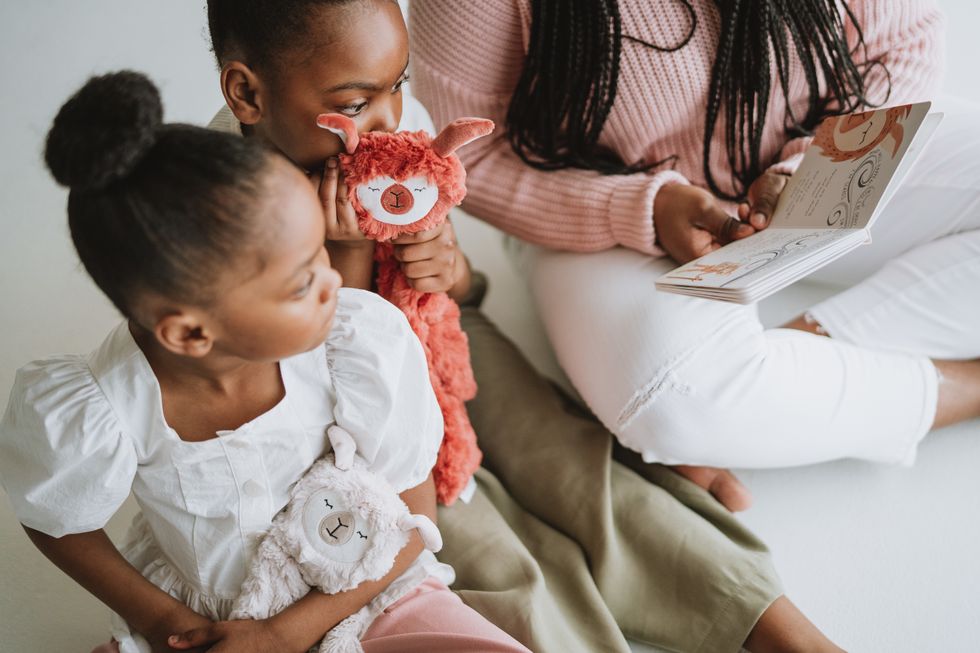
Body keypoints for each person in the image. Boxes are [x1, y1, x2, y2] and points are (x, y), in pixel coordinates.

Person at [204, 1, 849, 650]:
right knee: (486, 550)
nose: (387, 119)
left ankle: (766, 619)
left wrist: (444, 260)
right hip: (349, 420)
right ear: (247, 94)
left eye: (397, 86)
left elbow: (451, 278)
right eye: (353, 103)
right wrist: (344, 251)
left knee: (565, 459)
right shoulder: (225, 206)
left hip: (444, 342)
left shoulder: (405, 135)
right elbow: (283, 365)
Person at [0, 70, 529, 653]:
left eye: (319, 257)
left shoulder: (356, 340)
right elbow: (57, 520)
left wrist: (284, 633)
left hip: (370, 588)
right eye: (301, 282)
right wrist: (162, 621)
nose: (334, 281)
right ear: (191, 332)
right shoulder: (103, 404)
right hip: (217, 615)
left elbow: (411, 510)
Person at [410, 0, 980, 469]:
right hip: (593, 198)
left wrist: (814, 172)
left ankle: (798, 370)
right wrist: (639, 208)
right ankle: (964, 387)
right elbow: (474, 156)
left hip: (822, 157)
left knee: (714, 404)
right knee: (675, 400)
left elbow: (903, 40)